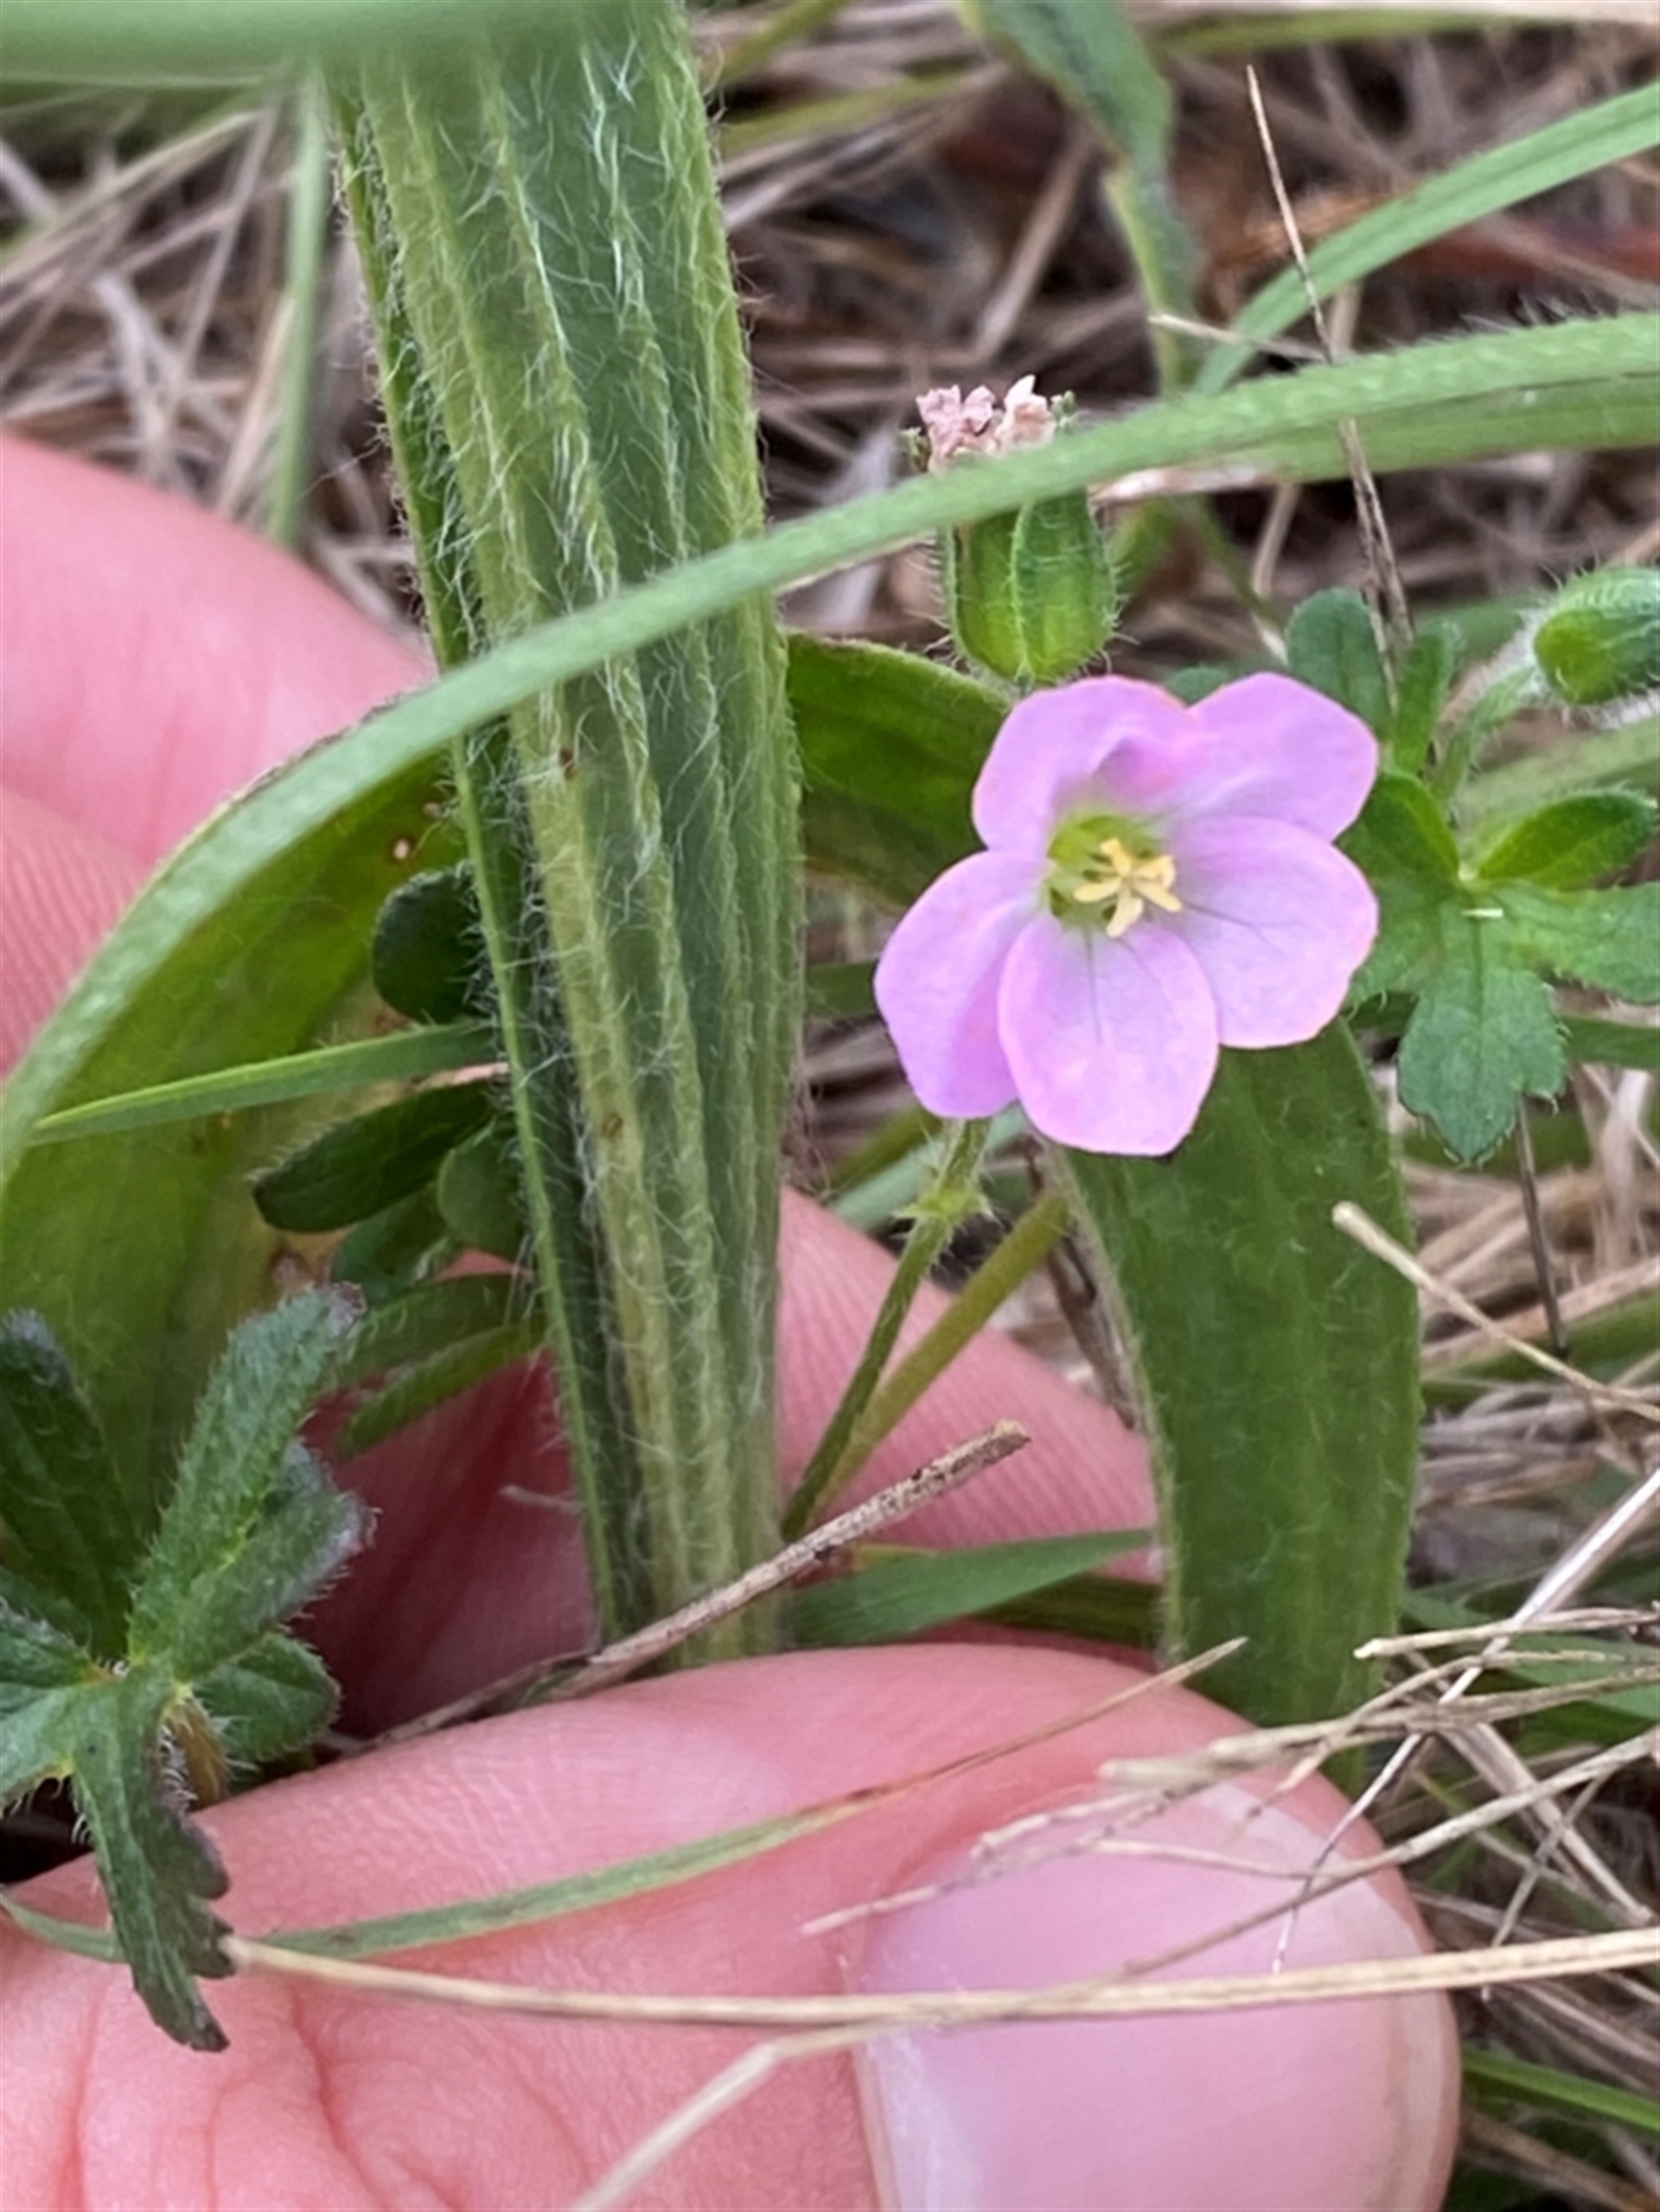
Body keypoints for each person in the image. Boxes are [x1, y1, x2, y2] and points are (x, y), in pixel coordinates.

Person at [0, 436, 1458, 2209]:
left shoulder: (1181, 867)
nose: (1122, 877)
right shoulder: (1016, 880)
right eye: (1098, 861)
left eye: (1123, 868)